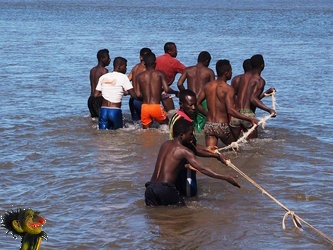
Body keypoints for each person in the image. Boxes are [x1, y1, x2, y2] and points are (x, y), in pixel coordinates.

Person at [144, 117, 240, 207]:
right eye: (190, 134)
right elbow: (202, 168)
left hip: (150, 188)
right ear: (182, 135)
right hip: (165, 189)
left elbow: (195, 150)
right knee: (186, 218)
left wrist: (217, 156)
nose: (192, 137)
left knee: (157, 219)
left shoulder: (165, 144)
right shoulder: (184, 151)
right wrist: (226, 178)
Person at [169, 89, 227, 197]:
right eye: (190, 105)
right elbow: (182, 147)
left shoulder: (178, 116)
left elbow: (190, 144)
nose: (194, 108)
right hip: (184, 165)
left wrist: (206, 149)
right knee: (191, 197)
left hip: (180, 164)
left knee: (182, 196)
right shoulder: (182, 122)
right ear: (181, 104)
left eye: (195, 105)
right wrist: (215, 156)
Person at [197, 59, 257, 149]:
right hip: (222, 125)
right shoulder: (228, 89)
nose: (231, 73)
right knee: (235, 148)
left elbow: (197, 103)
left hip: (209, 125)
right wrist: (249, 119)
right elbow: (230, 110)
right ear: (226, 72)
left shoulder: (208, 86)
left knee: (211, 152)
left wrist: (207, 113)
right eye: (231, 71)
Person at [230, 54, 276, 139]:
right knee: (253, 145)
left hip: (236, 114)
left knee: (234, 144)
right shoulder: (259, 80)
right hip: (248, 114)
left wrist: (265, 93)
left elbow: (239, 98)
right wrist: (269, 110)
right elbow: (252, 99)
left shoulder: (237, 79)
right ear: (262, 65)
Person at [136, 52, 179, 129]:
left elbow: (138, 94)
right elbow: (167, 89)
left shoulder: (139, 76)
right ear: (155, 63)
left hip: (145, 107)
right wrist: (176, 92)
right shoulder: (160, 74)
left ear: (144, 64)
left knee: (146, 132)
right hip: (155, 106)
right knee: (169, 125)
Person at [94, 57, 137, 130]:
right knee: (118, 134)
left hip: (103, 111)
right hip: (115, 110)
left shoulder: (104, 77)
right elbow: (133, 95)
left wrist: (108, 92)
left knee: (102, 135)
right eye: (125, 66)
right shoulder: (123, 77)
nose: (126, 68)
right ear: (119, 66)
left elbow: (96, 94)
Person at [177, 51, 215, 131]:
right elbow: (212, 89)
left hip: (190, 101)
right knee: (203, 123)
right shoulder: (209, 72)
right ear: (207, 61)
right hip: (202, 101)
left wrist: (186, 94)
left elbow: (179, 83)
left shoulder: (188, 70)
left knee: (190, 121)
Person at [156, 42, 186, 112]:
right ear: (169, 51)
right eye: (175, 50)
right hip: (163, 90)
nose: (177, 52)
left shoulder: (157, 59)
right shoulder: (174, 62)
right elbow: (188, 72)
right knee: (171, 113)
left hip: (152, 90)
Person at [128, 47, 152, 124]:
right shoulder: (147, 70)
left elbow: (127, 80)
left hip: (133, 99)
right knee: (148, 125)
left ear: (140, 57)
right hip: (142, 100)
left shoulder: (135, 67)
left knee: (136, 124)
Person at [88, 49, 111, 118]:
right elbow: (106, 88)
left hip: (91, 99)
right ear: (102, 58)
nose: (109, 59)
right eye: (108, 58)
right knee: (103, 120)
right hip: (99, 99)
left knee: (94, 120)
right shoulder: (104, 71)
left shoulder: (92, 70)